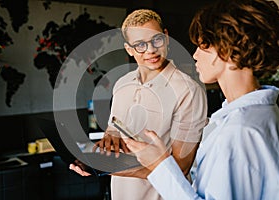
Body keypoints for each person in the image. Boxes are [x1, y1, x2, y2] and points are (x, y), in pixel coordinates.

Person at [124, 0, 279, 199]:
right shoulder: (259, 113)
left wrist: (158, 165)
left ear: (225, 49)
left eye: (202, 45)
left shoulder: (239, 130)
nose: (195, 55)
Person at [70, 9, 208, 200]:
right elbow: (113, 135)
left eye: (156, 40)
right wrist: (93, 158)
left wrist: (109, 170)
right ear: (129, 49)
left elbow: (181, 167)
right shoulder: (122, 84)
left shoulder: (188, 91)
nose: (150, 50)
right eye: (140, 45)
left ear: (166, 38)